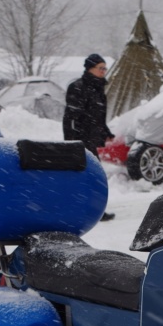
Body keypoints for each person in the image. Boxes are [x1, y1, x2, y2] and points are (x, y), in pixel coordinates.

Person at [64, 53, 115, 220]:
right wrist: (73, 142)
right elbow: (71, 117)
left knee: (91, 176)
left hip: (91, 139)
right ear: (90, 68)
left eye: (105, 68)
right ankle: (86, 210)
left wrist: (105, 132)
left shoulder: (99, 89)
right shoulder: (78, 87)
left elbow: (97, 116)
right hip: (80, 140)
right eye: (100, 68)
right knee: (87, 176)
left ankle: (92, 210)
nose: (103, 71)